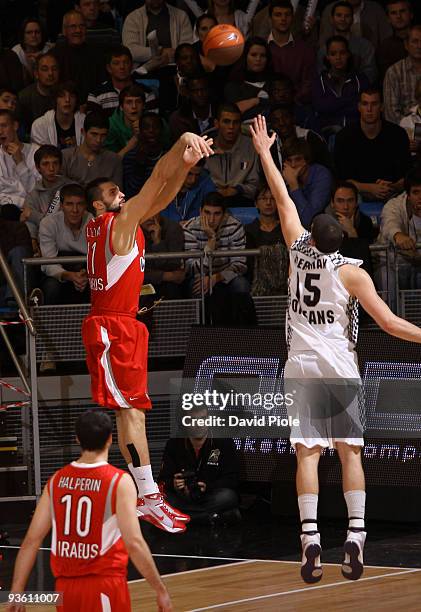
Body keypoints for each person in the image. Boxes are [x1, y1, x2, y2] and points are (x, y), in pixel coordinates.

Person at [250, 113, 421, 585]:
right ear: (340, 237)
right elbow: (389, 324)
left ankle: (309, 540)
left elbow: (282, 197)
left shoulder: (294, 246)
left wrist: (266, 151)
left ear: (311, 237)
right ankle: (356, 536)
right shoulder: (353, 273)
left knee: (307, 456)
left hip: (301, 364)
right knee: (350, 454)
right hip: (340, 365)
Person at [82, 130, 213, 533]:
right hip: (111, 327)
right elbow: (156, 180)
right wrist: (180, 144)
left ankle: (146, 496)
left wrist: (187, 164)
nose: (119, 192)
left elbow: (161, 196)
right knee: (130, 412)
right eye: (111, 190)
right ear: (97, 205)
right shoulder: (113, 226)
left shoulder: (126, 222)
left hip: (125, 323)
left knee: (133, 410)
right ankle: (148, 497)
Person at [6, 409, 173, 612]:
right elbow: (134, 543)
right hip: (104, 585)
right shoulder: (118, 481)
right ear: (110, 439)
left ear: (77, 439)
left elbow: (32, 540)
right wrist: (160, 589)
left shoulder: (56, 480)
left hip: (65, 590)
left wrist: (16, 591)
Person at [159, 405, 241, 525]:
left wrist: (207, 486)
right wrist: (174, 484)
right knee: (162, 498)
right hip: (183, 497)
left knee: (228, 496)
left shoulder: (224, 442)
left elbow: (232, 479)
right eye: (193, 420)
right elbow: (162, 480)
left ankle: (185, 517)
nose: (199, 424)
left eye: (202, 419)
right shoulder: (174, 444)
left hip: (210, 495)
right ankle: (209, 517)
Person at [334, 89, 411, 201]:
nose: (369, 109)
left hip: (393, 195)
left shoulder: (398, 135)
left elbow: (407, 178)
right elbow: (342, 181)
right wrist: (370, 188)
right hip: (356, 195)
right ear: (359, 107)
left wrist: (391, 187)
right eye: (365, 104)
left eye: (374, 104)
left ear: (381, 107)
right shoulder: (344, 137)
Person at [183, 191, 249, 298]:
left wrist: (215, 278)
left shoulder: (234, 226)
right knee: (197, 287)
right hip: (199, 276)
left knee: (241, 285)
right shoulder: (190, 228)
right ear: (200, 211)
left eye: (217, 214)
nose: (211, 219)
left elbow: (240, 265)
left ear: (224, 214)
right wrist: (211, 241)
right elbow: (192, 269)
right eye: (207, 212)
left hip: (225, 276)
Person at [39, 183, 92, 307]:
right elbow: (48, 263)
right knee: (51, 287)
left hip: (85, 270)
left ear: (85, 206)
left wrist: (86, 275)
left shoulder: (92, 221)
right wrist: (70, 276)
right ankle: (48, 325)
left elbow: (98, 257)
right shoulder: (48, 223)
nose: (75, 210)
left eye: (79, 204)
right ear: (61, 206)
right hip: (59, 270)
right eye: (69, 204)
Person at [204, 103, 260, 207]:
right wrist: (214, 190)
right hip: (209, 201)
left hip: (242, 200)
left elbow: (255, 185)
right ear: (217, 123)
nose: (231, 127)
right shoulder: (206, 146)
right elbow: (197, 182)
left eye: (236, 122)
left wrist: (238, 189)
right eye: (226, 122)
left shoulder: (251, 147)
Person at [375, 168, 421, 293]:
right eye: (416, 192)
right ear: (408, 194)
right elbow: (389, 223)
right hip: (392, 264)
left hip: (419, 266)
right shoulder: (394, 205)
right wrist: (398, 235)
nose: (420, 197)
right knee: (387, 280)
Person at [312, 36, 369, 133]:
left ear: (348, 54)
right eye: (333, 54)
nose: (338, 58)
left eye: (342, 53)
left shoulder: (360, 79)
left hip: (356, 131)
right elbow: (321, 107)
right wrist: (351, 99)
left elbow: (363, 107)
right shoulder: (319, 81)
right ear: (327, 56)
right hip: (329, 133)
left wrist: (333, 104)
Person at [268, 0, 316, 106]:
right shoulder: (262, 47)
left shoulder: (305, 49)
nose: (283, 19)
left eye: (287, 15)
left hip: (296, 105)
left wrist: (293, 100)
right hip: (265, 104)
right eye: (278, 15)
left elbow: (308, 83)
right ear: (270, 18)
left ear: (292, 17)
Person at [22, 145, 71, 247]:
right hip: (45, 244)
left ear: (60, 165)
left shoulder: (71, 188)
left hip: (70, 242)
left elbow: (64, 223)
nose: (51, 168)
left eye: (55, 163)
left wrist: (33, 215)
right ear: (37, 167)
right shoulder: (33, 195)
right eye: (45, 164)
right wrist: (33, 239)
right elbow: (30, 223)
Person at [52, 10, 106, 103]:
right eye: (73, 26)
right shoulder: (54, 55)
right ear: (64, 30)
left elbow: (101, 84)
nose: (78, 30)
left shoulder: (97, 54)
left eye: (82, 26)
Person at [317, 1, 377, 85]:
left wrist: (350, 88)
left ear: (352, 19)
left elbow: (370, 75)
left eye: (347, 16)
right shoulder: (323, 50)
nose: (343, 19)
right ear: (332, 19)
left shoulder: (365, 47)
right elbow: (321, 77)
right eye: (339, 15)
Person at [245, 183, 289, 296]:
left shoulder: (286, 229)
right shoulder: (248, 230)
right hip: (256, 284)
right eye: (264, 198)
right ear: (256, 203)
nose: (268, 203)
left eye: (273, 198)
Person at [122, 0, 193, 69]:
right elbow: (130, 50)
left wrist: (168, 57)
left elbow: (186, 49)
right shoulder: (132, 18)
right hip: (142, 73)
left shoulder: (181, 16)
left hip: (175, 70)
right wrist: (160, 51)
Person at [325, 180, 376, 274]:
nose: (345, 207)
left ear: (356, 202)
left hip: (357, 273)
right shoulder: (322, 223)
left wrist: (352, 232)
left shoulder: (365, 222)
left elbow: (364, 259)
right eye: (340, 201)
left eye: (350, 200)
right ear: (332, 203)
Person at [62, 111, 122, 187]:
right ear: (83, 132)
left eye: (103, 135)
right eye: (94, 134)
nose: (98, 140)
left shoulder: (114, 160)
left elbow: (117, 193)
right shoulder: (66, 157)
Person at [282, 138, 333, 229]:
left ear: (307, 160)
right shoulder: (284, 175)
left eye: (298, 159)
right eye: (289, 160)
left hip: (320, 229)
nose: (293, 165)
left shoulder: (321, 175)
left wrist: (293, 185)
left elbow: (308, 220)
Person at [268, 104, 332, 171]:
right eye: (276, 120)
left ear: (293, 118)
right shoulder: (271, 143)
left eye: (285, 117)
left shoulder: (310, 137)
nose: (281, 123)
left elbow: (326, 168)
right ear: (272, 125)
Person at [224, 37, 272, 121]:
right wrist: (257, 101)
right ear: (245, 57)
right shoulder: (234, 85)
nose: (258, 59)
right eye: (253, 55)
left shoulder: (274, 83)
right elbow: (233, 113)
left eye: (263, 56)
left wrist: (255, 102)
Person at [0, 110, 39, 209]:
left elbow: (38, 191)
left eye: (4, 126)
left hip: (35, 210)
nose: (0, 131)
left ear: (15, 126)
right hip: (8, 211)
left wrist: (20, 162)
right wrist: (22, 203)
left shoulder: (36, 152)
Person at [383, 25, 421, 125]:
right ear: (406, 45)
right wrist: (411, 128)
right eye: (415, 41)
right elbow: (391, 114)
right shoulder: (394, 72)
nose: (419, 46)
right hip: (404, 131)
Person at [141, 213, 186, 299]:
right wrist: (167, 276)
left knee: (172, 288)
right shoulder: (132, 231)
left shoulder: (173, 229)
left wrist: (157, 242)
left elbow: (174, 268)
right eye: (146, 213)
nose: (151, 217)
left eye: (154, 211)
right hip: (142, 286)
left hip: (168, 286)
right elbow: (138, 272)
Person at [31, 81, 85, 149]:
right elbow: (41, 157)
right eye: (62, 96)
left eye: (72, 96)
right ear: (55, 99)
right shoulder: (40, 125)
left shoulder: (85, 122)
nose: (67, 100)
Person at [123, 112, 165, 198]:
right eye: (146, 127)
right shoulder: (130, 157)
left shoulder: (168, 156)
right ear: (140, 131)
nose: (151, 130)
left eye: (155, 127)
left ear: (162, 130)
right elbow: (130, 192)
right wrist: (140, 165)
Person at [319, 0, 392, 50]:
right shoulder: (330, 9)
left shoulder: (376, 9)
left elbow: (387, 40)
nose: (343, 19)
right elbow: (323, 42)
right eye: (339, 15)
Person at [161, 158, 216, 223]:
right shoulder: (164, 183)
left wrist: (193, 224)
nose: (193, 180)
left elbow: (213, 212)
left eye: (197, 175)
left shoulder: (206, 183)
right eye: (189, 174)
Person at [18, 52, 60, 131]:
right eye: (45, 69)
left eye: (54, 69)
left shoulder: (64, 95)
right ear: (36, 74)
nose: (50, 73)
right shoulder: (24, 97)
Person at [169, 75, 216, 141]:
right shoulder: (178, 118)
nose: (200, 94)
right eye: (195, 91)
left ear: (209, 90)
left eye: (203, 89)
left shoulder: (219, 113)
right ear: (188, 93)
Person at [376, 0, 413, 81]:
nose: (398, 16)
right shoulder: (384, 47)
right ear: (388, 19)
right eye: (393, 13)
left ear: (411, 14)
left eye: (402, 11)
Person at [105, 84, 145, 156]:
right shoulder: (110, 125)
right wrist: (135, 139)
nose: (134, 106)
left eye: (138, 102)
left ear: (144, 106)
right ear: (121, 107)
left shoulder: (155, 122)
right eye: (129, 102)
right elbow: (111, 163)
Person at [12, 18, 53, 83]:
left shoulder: (49, 49)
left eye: (37, 32)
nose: (34, 35)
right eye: (29, 32)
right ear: (23, 36)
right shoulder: (16, 52)